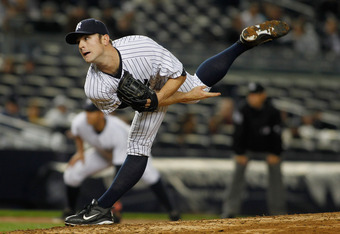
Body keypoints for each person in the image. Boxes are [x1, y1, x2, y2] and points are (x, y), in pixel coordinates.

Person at [64, 18, 290, 225]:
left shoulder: (141, 46)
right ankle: (102, 209)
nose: (81, 45)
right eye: (78, 42)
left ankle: (101, 209)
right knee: (139, 146)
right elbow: (131, 106)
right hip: (143, 97)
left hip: (163, 75)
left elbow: (178, 75)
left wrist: (167, 98)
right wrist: (176, 98)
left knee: (186, 93)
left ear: (105, 39)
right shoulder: (94, 86)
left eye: (86, 38)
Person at [63, 101, 180, 223]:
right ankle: (70, 210)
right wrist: (80, 151)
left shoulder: (117, 129)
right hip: (102, 154)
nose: (88, 114)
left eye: (92, 111)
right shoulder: (79, 121)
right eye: (87, 111)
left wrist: (115, 200)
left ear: (102, 113)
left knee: (152, 177)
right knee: (72, 172)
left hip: (133, 153)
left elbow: (119, 168)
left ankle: (173, 211)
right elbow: (78, 134)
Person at [221, 82, 286, 218]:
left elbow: (277, 135)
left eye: (255, 95)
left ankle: (278, 211)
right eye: (250, 95)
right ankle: (230, 210)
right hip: (247, 149)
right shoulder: (243, 109)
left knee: (276, 170)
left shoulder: (272, 111)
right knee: (237, 171)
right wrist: (239, 153)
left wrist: (276, 153)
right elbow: (238, 133)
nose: (252, 98)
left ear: (263, 95)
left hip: (268, 149)